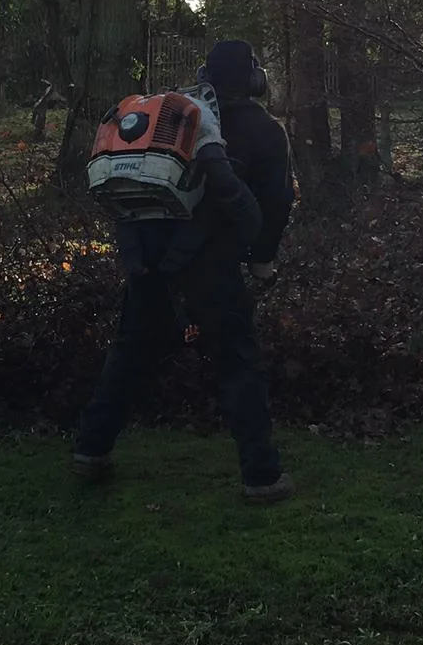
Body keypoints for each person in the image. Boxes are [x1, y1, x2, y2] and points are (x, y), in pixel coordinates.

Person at [74, 38, 297, 503]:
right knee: (238, 361)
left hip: (149, 253)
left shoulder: (176, 119)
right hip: (210, 261)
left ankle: (91, 450)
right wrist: (262, 259)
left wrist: (137, 255)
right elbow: (275, 205)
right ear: (254, 80)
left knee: (130, 351)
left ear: (205, 77)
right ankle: (262, 476)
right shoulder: (265, 131)